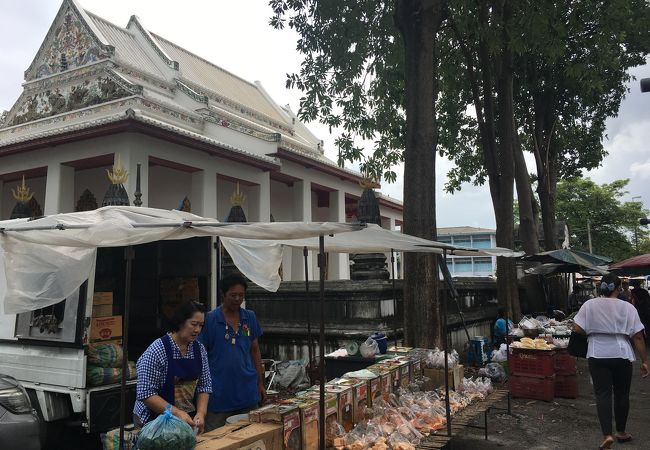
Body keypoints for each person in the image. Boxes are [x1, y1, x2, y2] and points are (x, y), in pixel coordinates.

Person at [573, 273, 649, 449]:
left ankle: (607, 435)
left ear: (601, 288)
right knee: (622, 394)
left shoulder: (589, 305)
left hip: (597, 353)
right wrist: (644, 360)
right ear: (618, 288)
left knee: (603, 394)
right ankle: (621, 432)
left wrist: (592, 332)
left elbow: (577, 327)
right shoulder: (628, 307)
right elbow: (638, 336)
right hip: (621, 353)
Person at [199, 274, 266, 432]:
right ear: (223, 294)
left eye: (241, 295)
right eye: (233, 295)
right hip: (218, 393)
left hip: (247, 391)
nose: (237, 299)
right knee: (216, 439)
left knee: (249, 435)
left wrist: (260, 382)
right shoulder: (210, 319)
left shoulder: (249, 317)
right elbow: (201, 354)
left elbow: (255, 350)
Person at [134, 300, 212, 433]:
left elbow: (204, 386)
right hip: (153, 421)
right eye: (193, 324)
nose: (197, 330)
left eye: (201, 325)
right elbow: (146, 393)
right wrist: (176, 413)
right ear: (181, 322)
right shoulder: (157, 350)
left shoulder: (199, 349)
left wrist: (201, 413)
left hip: (185, 419)